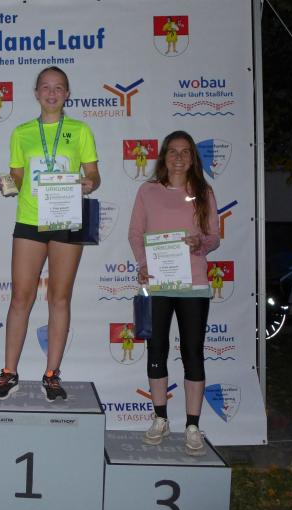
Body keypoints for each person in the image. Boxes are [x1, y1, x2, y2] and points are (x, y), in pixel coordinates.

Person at [0, 66, 101, 402]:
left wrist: (90, 183)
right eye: (46, 87)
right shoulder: (21, 132)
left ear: (67, 94)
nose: (52, 93)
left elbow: (93, 174)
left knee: (59, 298)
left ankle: (52, 374)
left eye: (59, 87)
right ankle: (9, 372)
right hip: (30, 220)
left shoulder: (80, 130)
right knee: (20, 298)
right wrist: (7, 184)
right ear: (37, 93)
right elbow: (17, 177)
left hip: (67, 219)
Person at [128, 130, 220, 456]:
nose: (179, 158)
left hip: (193, 284)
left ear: (193, 158)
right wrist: (143, 263)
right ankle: (160, 419)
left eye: (185, 152)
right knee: (157, 349)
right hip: (157, 284)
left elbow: (214, 236)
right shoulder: (147, 191)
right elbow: (135, 233)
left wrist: (200, 242)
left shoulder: (203, 192)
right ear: (164, 156)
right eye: (173, 151)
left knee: (193, 352)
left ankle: (192, 425)